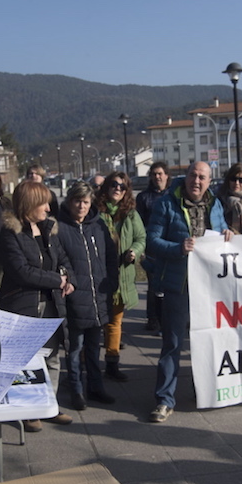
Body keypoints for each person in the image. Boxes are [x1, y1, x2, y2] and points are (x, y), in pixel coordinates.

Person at [146, 162, 232, 423]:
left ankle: (205, 391)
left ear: (209, 181)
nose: (197, 181)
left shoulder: (215, 204)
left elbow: (221, 231)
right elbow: (153, 240)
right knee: (172, 343)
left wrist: (229, 233)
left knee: (207, 341)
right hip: (178, 285)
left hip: (208, 286)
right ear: (186, 178)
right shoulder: (166, 203)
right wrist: (178, 248)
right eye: (193, 175)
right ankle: (164, 399)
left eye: (202, 177)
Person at [0, 180, 75, 431]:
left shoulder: (49, 229)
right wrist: (57, 280)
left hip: (51, 303)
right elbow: (21, 271)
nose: (48, 207)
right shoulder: (10, 233)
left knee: (52, 356)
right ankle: (28, 410)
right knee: (26, 359)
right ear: (29, 204)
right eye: (42, 202)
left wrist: (68, 279)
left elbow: (63, 258)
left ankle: (49, 404)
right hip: (24, 306)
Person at [57, 182, 120, 410]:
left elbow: (111, 256)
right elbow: (60, 260)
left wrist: (111, 282)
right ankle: (76, 390)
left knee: (94, 347)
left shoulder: (98, 226)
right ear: (69, 201)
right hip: (75, 299)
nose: (81, 206)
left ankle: (96, 387)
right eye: (77, 201)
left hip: (98, 298)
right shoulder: (60, 227)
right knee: (74, 349)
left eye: (85, 202)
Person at [95, 172, 146, 382]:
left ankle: (112, 363)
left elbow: (141, 237)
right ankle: (86, 363)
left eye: (123, 187)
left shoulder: (131, 214)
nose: (118, 189)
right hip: (98, 275)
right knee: (95, 322)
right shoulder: (96, 212)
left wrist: (134, 250)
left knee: (115, 322)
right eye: (114, 185)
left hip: (122, 275)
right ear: (106, 187)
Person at [136, 161, 170, 332]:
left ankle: (169, 318)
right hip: (151, 248)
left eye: (160, 173)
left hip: (171, 245)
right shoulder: (143, 197)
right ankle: (152, 318)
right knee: (153, 285)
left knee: (170, 285)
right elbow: (139, 223)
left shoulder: (173, 195)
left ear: (166, 175)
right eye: (154, 174)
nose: (157, 177)